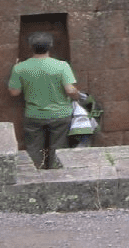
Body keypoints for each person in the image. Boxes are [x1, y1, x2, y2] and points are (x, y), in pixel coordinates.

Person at [8, 32, 83, 170]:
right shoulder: (62, 66)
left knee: (34, 149)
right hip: (60, 115)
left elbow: (14, 92)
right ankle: (57, 175)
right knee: (58, 149)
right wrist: (79, 96)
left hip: (33, 115)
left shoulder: (20, 68)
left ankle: (36, 173)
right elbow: (70, 90)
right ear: (50, 46)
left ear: (31, 46)